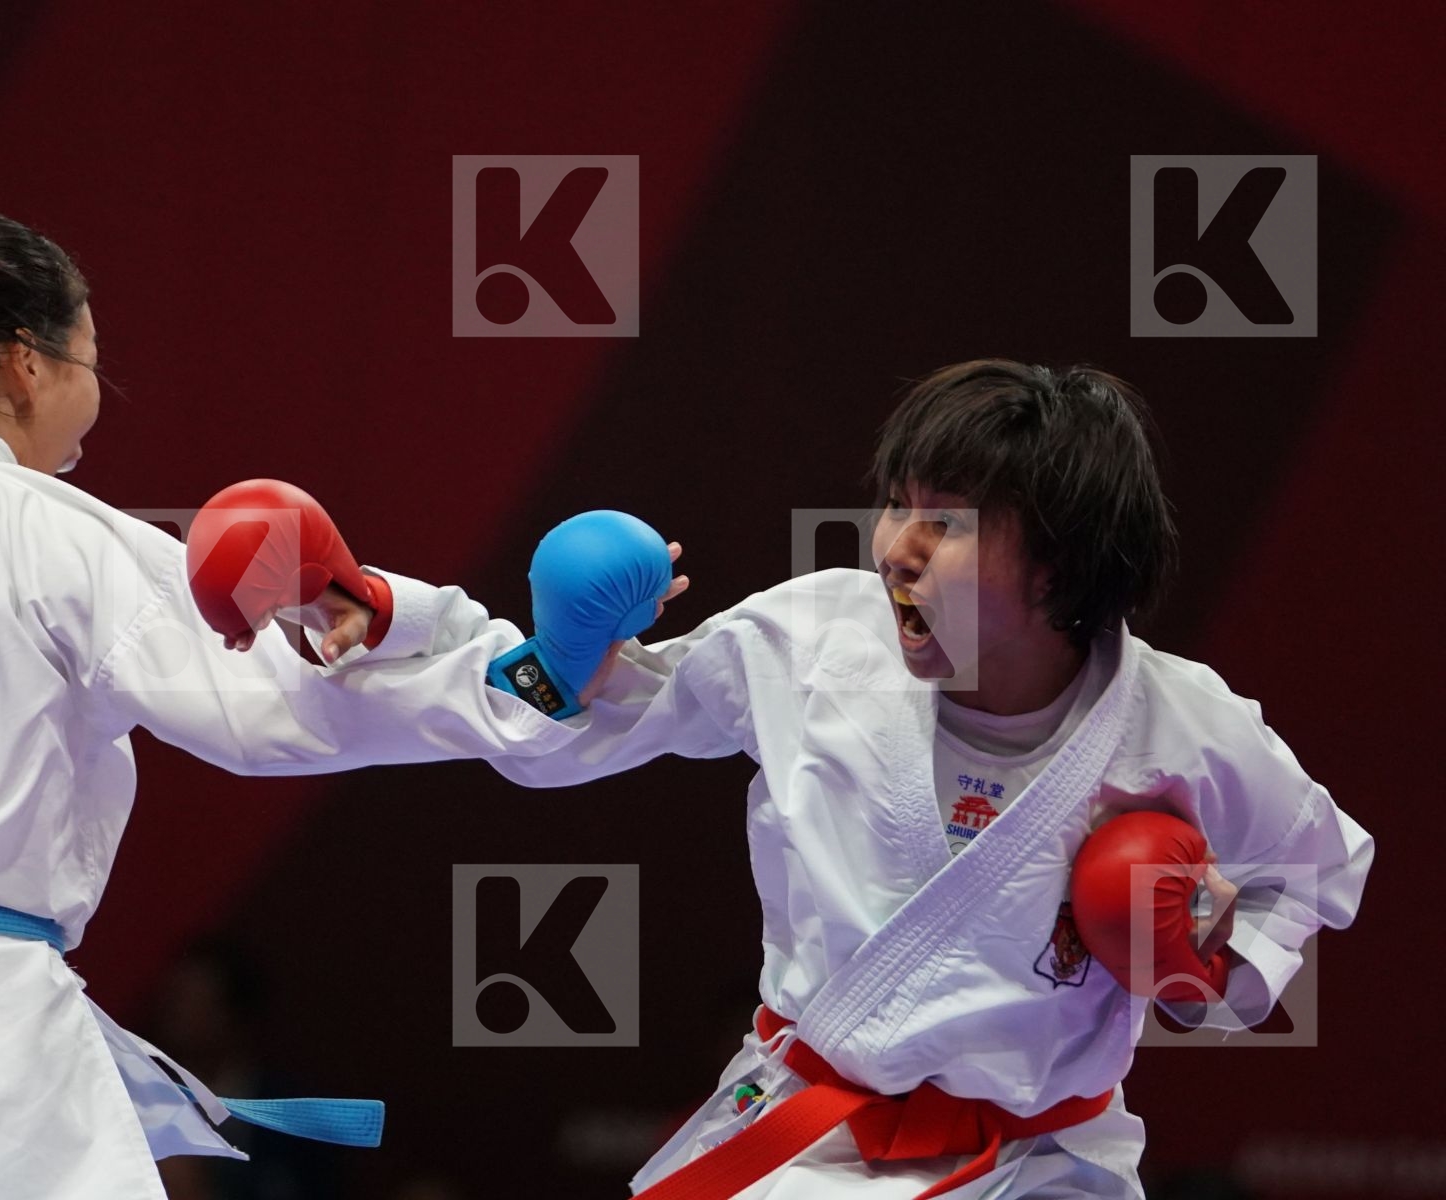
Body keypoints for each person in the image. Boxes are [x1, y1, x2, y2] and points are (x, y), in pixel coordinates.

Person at [0, 199, 651, 1200]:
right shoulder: (57, 536)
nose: (94, 401)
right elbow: (282, 710)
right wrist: (511, 668)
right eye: (89, 363)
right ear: (23, 361)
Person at [487, 360, 1374, 1198]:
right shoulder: (814, 644)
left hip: (1042, 1162)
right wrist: (534, 650)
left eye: (943, 524)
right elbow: (590, 718)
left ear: (1057, 565)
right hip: (808, 1139)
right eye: (895, 507)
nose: (895, 551)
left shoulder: (1182, 729)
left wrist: (1207, 964)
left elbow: (1320, 871)